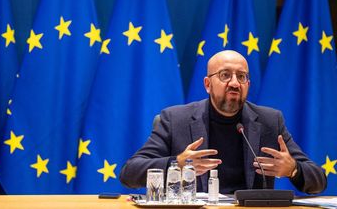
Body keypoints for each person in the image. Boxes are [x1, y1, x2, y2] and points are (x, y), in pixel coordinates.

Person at [120, 50, 326, 194]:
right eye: (225, 75)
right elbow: (130, 173)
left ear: (248, 84)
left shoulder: (270, 121)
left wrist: (293, 170)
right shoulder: (176, 120)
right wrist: (177, 164)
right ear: (208, 84)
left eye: (241, 76)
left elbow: (319, 182)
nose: (235, 83)